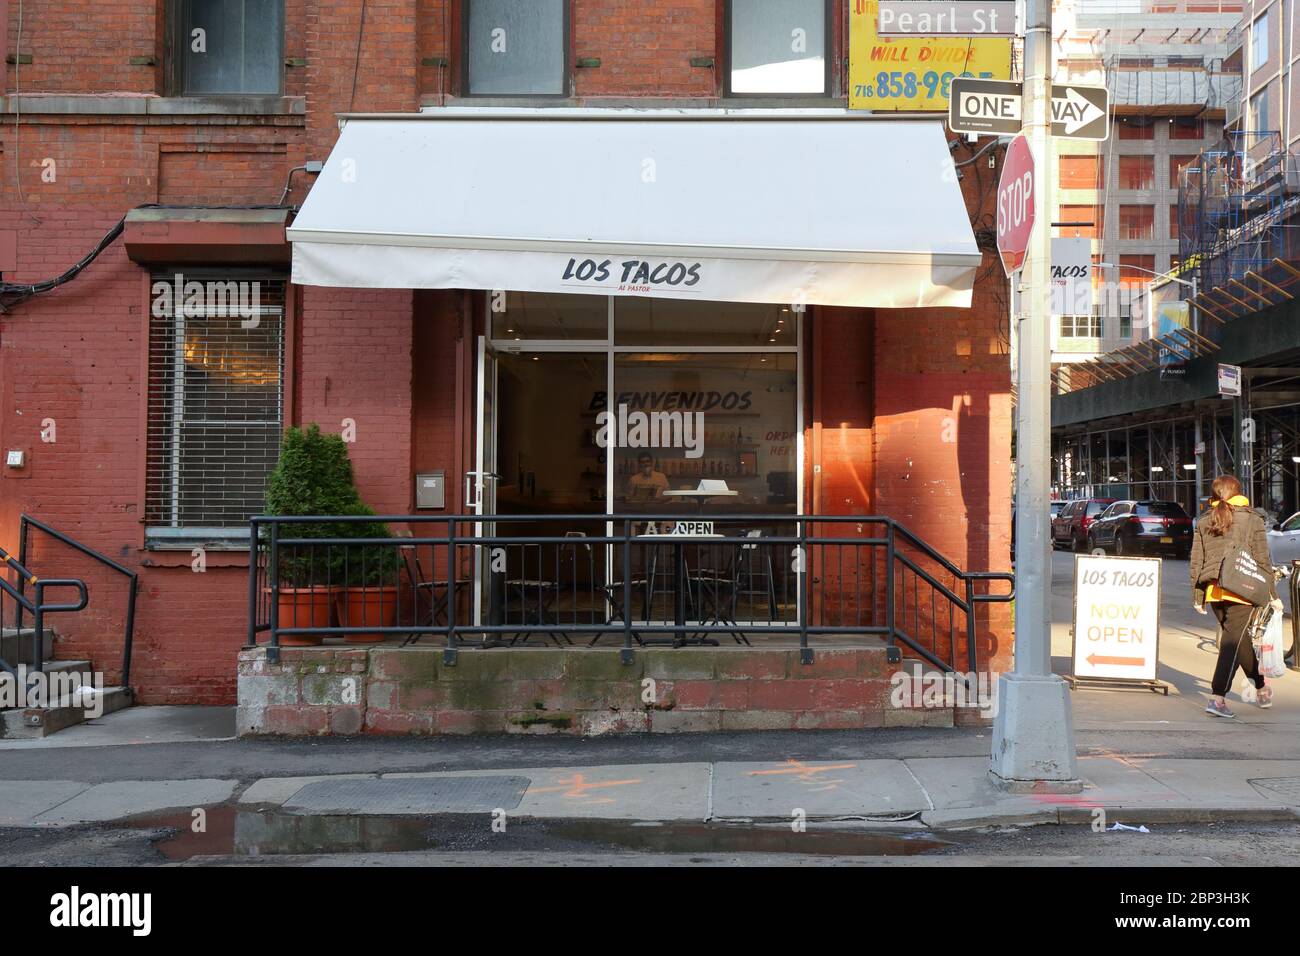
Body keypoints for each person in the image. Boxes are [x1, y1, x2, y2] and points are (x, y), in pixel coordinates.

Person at [1189, 474, 1274, 717]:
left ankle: (1260, 686)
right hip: (1242, 588)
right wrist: (1270, 593)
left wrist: (1198, 594)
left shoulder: (1205, 519)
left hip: (1214, 590)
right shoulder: (1251, 519)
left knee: (1237, 641)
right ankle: (1217, 698)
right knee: (1230, 644)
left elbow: (1196, 559)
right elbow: (1262, 558)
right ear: (1238, 491)